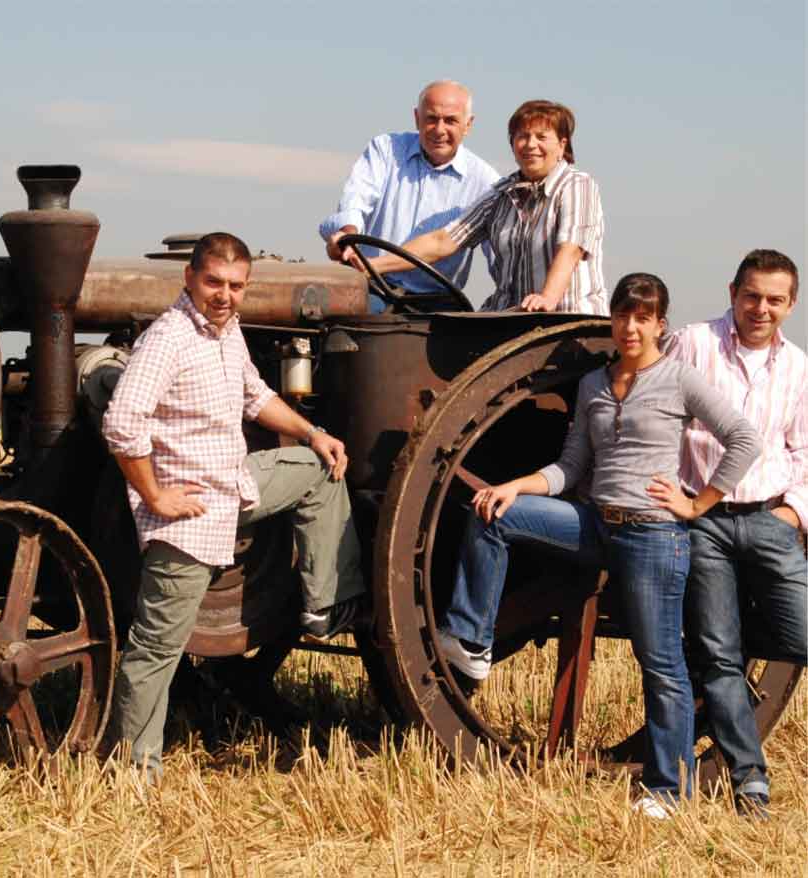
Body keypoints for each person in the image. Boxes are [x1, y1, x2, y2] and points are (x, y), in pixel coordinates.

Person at [437, 273, 760, 815]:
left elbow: (743, 439)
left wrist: (697, 503)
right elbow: (570, 468)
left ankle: (667, 788)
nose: (631, 327)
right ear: (613, 320)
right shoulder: (594, 385)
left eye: (643, 317)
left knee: (659, 663)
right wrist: (515, 486)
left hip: (653, 533)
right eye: (623, 315)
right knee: (496, 516)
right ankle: (471, 642)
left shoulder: (680, 379)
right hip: (593, 523)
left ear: (661, 324)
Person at [102, 232, 366, 777]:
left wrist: (314, 432)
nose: (224, 295)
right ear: (189, 279)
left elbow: (256, 395)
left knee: (318, 469)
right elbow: (121, 424)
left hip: (235, 486)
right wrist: (154, 495)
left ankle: (324, 607)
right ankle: (134, 774)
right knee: (156, 650)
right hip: (192, 513)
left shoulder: (228, 333)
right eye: (214, 283)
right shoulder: (168, 339)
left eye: (236, 286)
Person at [667, 249, 807, 818]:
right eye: (752, 295)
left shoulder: (798, 366)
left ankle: (738, 632)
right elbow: (657, 415)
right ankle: (749, 781)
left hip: (770, 520)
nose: (761, 308)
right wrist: (678, 499)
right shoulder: (692, 344)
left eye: (775, 299)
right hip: (704, 525)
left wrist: (795, 514)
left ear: (791, 304)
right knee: (720, 658)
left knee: (798, 634)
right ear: (732, 292)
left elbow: (804, 450)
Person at [360, 99, 607, 315]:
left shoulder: (577, 185)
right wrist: (369, 267)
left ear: (562, 145)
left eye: (541, 137)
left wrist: (548, 299)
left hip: (564, 319)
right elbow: (442, 242)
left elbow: (570, 250)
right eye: (522, 136)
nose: (531, 145)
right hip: (512, 315)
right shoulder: (500, 194)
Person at [319, 80, 499, 306]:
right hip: (371, 287)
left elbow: (500, 253)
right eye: (431, 119)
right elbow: (355, 200)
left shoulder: (486, 183)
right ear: (417, 118)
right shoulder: (385, 150)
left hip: (438, 301)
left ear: (468, 124)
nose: (439, 130)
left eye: (451, 120)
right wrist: (347, 235)